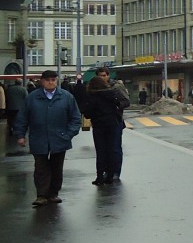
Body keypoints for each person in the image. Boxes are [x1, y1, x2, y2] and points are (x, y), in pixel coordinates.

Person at [12, 69, 83, 207]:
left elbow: (75, 118)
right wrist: (20, 135)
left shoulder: (66, 97)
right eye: (48, 80)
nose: (51, 83)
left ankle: (53, 193)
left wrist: (68, 134)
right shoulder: (32, 97)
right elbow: (22, 117)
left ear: (57, 81)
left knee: (57, 167)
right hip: (39, 137)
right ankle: (42, 195)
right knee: (40, 167)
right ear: (42, 81)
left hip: (60, 138)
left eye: (53, 80)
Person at [85, 68, 129, 184]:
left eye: (104, 75)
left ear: (108, 75)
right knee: (106, 149)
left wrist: (117, 108)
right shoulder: (97, 92)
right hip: (108, 122)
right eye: (100, 76)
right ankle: (108, 173)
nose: (102, 78)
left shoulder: (116, 87)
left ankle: (114, 173)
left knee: (113, 149)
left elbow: (125, 101)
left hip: (114, 121)